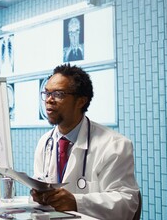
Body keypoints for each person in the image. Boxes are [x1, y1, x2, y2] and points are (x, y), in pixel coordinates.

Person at [30, 64, 140, 219]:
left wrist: (77, 202)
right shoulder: (45, 142)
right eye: (46, 93)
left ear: (81, 101)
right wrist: (38, 195)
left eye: (58, 94)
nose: (49, 100)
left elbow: (126, 203)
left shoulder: (114, 145)